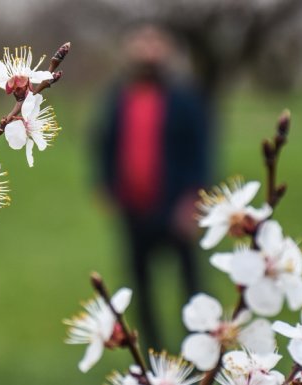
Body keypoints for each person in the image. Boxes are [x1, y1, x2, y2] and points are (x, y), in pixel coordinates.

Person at [93, 23, 213, 349]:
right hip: (134, 208)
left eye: (155, 41)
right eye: (141, 41)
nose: (148, 49)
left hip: (176, 206)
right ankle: (152, 351)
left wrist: (194, 200)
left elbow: (202, 150)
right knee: (139, 285)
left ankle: (201, 348)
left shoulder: (186, 98)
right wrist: (104, 184)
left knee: (191, 285)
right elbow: (103, 141)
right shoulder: (118, 96)